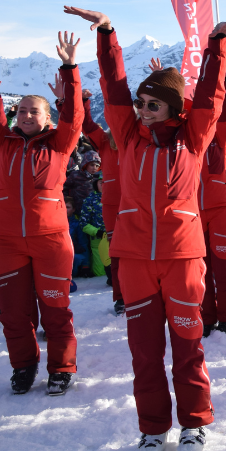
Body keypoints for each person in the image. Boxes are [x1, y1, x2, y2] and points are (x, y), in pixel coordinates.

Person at [66, 4, 226, 447]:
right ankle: (152, 430)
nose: (143, 110)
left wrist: (216, 43)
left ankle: (194, 424)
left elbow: (210, 98)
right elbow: (114, 88)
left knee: (187, 347)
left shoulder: (193, 139)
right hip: (136, 258)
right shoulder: (127, 134)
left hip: (183, 256)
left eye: (153, 104)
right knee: (145, 354)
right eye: (141, 103)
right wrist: (107, 34)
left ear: (173, 108)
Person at [0, 31, 83, 396]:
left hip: (50, 239)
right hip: (7, 242)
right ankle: (23, 365)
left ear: (48, 117)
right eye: (22, 110)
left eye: (35, 111)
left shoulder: (59, 144)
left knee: (55, 308)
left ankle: (61, 367)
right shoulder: (3, 143)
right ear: (13, 115)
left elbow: (75, 115)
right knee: (14, 313)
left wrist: (69, 69)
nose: (27, 115)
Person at [194, 57, 226, 337]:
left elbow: (225, 115)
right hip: (192, 211)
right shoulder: (187, 138)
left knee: (221, 267)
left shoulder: (220, 140)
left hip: (221, 208)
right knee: (200, 269)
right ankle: (206, 316)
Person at [81, 89, 124, 313]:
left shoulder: (138, 139)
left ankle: (143, 292)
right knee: (116, 252)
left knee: (138, 252)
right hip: (111, 205)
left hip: (136, 205)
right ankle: (120, 297)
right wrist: (84, 101)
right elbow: (87, 125)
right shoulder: (105, 141)